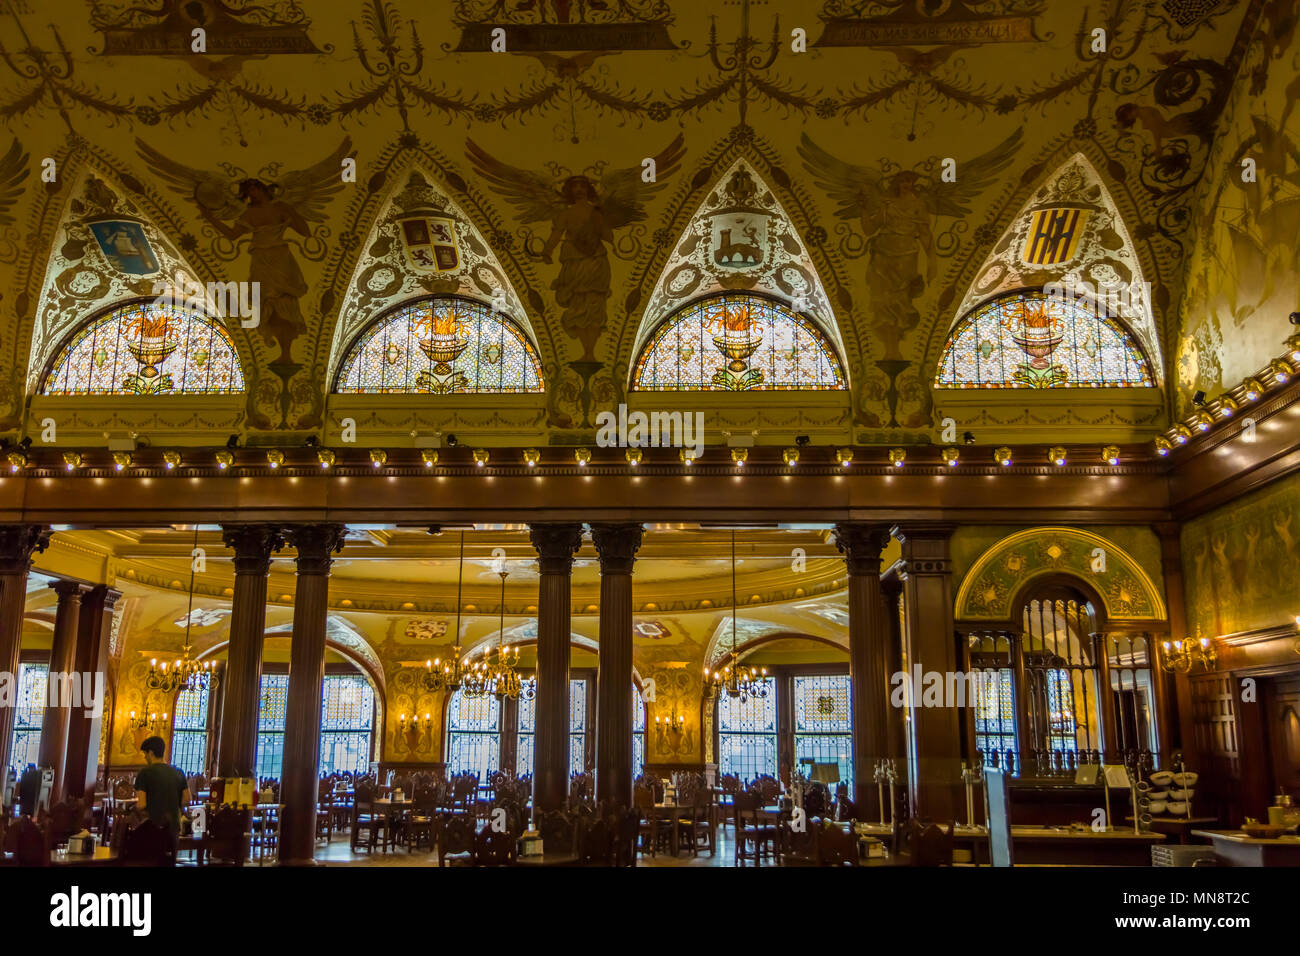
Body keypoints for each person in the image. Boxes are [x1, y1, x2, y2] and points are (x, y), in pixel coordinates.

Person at [134, 736, 190, 864]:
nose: (145, 757)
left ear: (151, 753)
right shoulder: (178, 772)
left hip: (153, 830)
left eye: (145, 754)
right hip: (174, 829)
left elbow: (142, 805)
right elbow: (187, 799)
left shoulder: (145, 773)